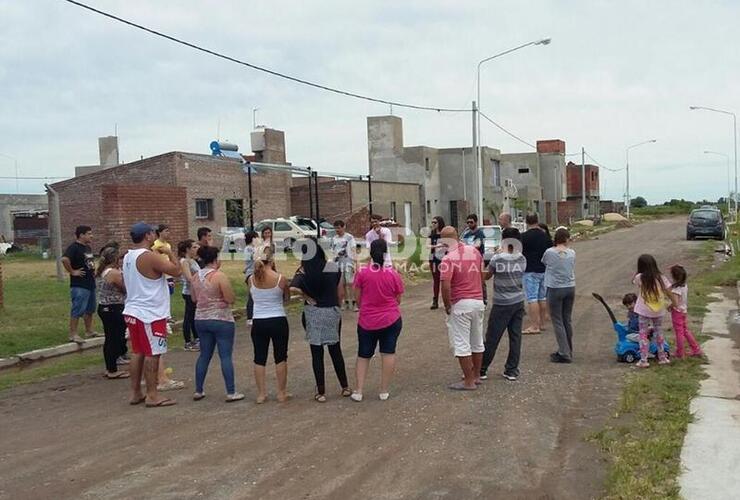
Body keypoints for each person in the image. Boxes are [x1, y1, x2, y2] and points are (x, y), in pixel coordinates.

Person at [123, 222, 182, 407]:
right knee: (153, 353)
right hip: (150, 312)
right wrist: (170, 253)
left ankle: (135, 392)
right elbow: (176, 270)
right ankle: (152, 395)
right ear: (148, 236)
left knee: (138, 351)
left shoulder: (128, 256)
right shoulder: (149, 256)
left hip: (133, 309)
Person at [291, 241, 351, 402]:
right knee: (335, 349)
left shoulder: (303, 270)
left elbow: (293, 288)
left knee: (316, 352)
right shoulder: (331, 267)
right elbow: (340, 293)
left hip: (313, 313)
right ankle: (345, 386)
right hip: (331, 311)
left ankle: (321, 391)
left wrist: (307, 297)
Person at [351, 239, 404, 402]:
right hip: (391, 318)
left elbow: (357, 298)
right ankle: (384, 390)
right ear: (385, 253)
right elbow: (398, 299)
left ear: (370, 252)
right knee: (388, 352)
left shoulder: (362, 273)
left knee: (363, 355)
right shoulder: (393, 274)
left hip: (367, 320)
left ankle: (359, 390)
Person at [191, 246, 244, 402]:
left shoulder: (195, 277)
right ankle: (231, 391)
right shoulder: (219, 276)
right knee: (225, 355)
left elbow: (194, 299)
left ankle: (198, 390)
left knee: (204, 354)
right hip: (221, 319)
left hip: (201, 318)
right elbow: (229, 298)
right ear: (215, 259)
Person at [439, 225, 485, 390]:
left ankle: (468, 381)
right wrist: (482, 296)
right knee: (477, 341)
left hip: (461, 303)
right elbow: (481, 276)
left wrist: (447, 305)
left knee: (462, 343)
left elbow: (445, 285)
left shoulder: (448, 258)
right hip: (477, 301)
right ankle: (477, 375)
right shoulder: (473, 251)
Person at [480, 227, 526, 381]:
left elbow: (487, 276)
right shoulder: (521, 257)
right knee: (515, 336)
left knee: (493, 337)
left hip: (502, 303)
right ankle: (511, 370)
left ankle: (482, 369)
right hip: (518, 301)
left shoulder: (498, 258)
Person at [249, 252, 291, 403]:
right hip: (277, 318)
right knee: (280, 356)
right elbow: (287, 298)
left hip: (259, 320)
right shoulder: (280, 278)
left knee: (259, 357)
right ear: (272, 260)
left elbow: (253, 298)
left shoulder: (251, 279)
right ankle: (281, 392)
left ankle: (261, 393)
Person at [632, 254, 676, 368]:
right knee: (659, 332)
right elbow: (668, 291)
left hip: (643, 309)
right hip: (658, 309)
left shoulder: (639, 277)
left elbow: (636, 284)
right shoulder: (661, 277)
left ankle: (644, 360)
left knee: (643, 334)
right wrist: (674, 302)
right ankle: (662, 357)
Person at [543, 228, 577, 364]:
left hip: (555, 287)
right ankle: (569, 348)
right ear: (567, 239)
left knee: (557, 320)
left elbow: (545, 262)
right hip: (570, 286)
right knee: (567, 319)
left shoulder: (550, 252)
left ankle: (564, 352)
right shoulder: (572, 253)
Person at [95, 246, 128, 379]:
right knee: (115, 338)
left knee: (109, 338)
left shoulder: (101, 271)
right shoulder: (113, 273)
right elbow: (124, 288)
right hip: (114, 307)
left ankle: (110, 367)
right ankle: (112, 369)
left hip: (104, 306)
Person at [61, 225, 98, 343]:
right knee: (78, 309)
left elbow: (90, 263)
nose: (91, 236)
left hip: (90, 283)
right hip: (79, 285)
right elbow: (64, 259)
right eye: (89, 233)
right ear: (81, 235)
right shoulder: (74, 247)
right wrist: (72, 271)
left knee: (90, 309)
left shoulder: (87, 248)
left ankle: (89, 331)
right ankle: (73, 334)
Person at [521, 214, 553, 334]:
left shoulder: (524, 237)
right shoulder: (545, 236)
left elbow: (519, 253)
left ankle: (534, 325)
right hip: (543, 269)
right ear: (537, 221)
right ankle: (542, 323)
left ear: (526, 221)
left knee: (532, 298)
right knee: (542, 297)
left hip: (530, 270)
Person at [668, 265, 703, 359]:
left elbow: (675, 302)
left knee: (679, 333)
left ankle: (680, 352)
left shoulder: (676, 290)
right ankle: (696, 349)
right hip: (683, 311)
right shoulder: (684, 286)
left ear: (674, 277)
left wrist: (669, 306)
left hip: (677, 312)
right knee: (685, 330)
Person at [330, 220, 358, 311]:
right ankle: (345, 302)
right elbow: (332, 251)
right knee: (342, 284)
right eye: (336, 228)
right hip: (338, 264)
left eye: (339, 228)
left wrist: (355, 262)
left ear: (343, 227)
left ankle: (354, 303)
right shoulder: (334, 238)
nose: (337, 230)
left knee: (350, 282)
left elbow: (353, 249)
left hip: (348, 262)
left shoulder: (349, 237)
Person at [178, 239, 200, 351]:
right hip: (188, 292)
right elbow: (188, 278)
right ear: (187, 249)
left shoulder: (193, 260)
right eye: (194, 247)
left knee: (194, 316)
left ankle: (197, 338)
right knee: (189, 316)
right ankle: (187, 341)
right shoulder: (184, 261)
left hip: (196, 291)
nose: (197, 249)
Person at [460, 214, 487, 305]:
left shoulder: (480, 233)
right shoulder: (466, 234)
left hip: (478, 259)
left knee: (481, 279)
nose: (469, 224)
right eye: (467, 222)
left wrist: (466, 246)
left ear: (476, 222)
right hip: (468, 260)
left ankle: (484, 299)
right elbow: (462, 244)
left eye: (471, 222)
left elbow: (477, 245)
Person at [428, 216, 447, 310]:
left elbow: (448, 245)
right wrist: (436, 246)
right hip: (433, 259)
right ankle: (435, 300)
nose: (433, 224)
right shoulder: (431, 234)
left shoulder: (445, 233)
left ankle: (447, 299)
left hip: (444, 259)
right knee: (436, 280)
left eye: (435, 222)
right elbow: (427, 245)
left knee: (445, 279)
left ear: (440, 223)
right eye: (432, 222)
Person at [152, 224, 175, 296]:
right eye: (166, 231)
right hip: (161, 273)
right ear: (160, 232)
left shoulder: (168, 245)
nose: (168, 233)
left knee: (170, 293)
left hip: (168, 273)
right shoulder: (155, 244)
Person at [243, 230, 258, 326]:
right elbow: (254, 258)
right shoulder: (248, 248)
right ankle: (249, 317)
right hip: (251, 274)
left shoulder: (253, 248)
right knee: (251, 295)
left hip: (255, 273)